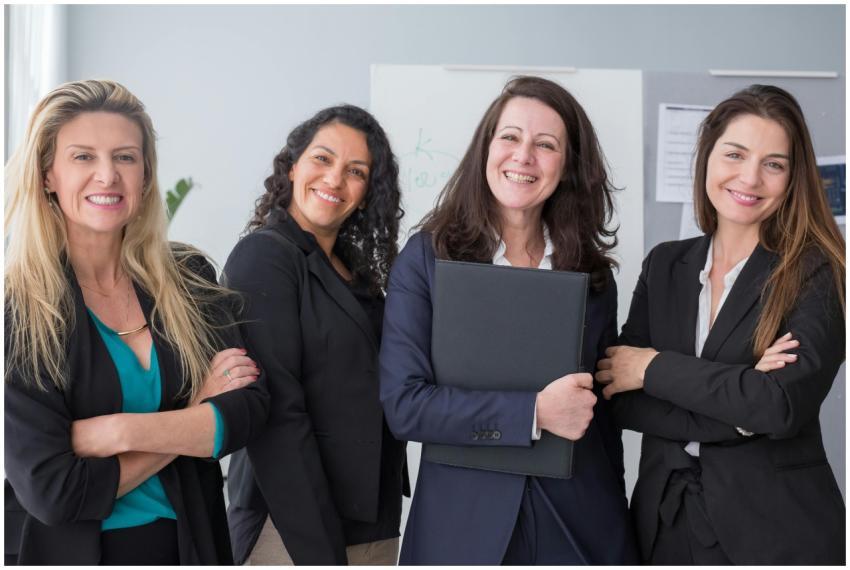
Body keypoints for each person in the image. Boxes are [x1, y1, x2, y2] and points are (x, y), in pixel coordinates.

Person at [4, 79, 269, 565]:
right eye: (83, 157)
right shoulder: (20, 308)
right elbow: (53, 490)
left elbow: (247, 410)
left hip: (190, 545)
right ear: (47, 174)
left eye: (125, 157)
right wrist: (192, 415)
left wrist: (117, 432)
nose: (108, 175)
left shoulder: (189, 277)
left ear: (145, 174)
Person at [379, 76, 638, 564]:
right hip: (462, 526)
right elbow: (405, 405)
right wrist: (533, 413)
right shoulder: (428, 259)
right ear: (486, 149)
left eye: (546, 144)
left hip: (580, 522)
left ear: (567, 166)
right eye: (510, 137)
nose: (524, 156)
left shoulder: (592, 274)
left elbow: (601, 423)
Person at [596, 85, 845, 564]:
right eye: (735, 154)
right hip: (664, 523)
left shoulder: (815, 269)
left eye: (774, 163)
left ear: (793, 178)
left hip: (776, 532)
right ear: (707, 155)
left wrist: (654, 369)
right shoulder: (665, 264)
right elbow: (620, 396)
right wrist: (742, 406)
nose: (750, 177)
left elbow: (779, 407)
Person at [223, 104, 408, 565]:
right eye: (322, 159)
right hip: (291, 527)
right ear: (292, 168)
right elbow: (276, 416)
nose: (334, 179)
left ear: (367, 193)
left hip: (372, 521)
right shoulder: (264, 257)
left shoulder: (358, 274)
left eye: (355, 171)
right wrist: (322, 556)